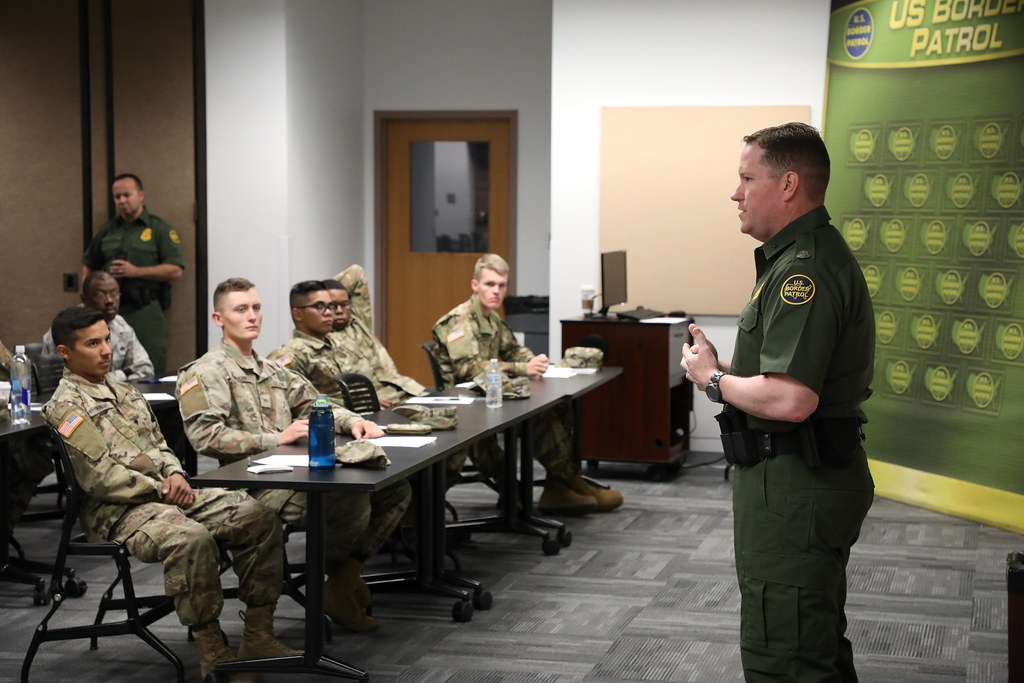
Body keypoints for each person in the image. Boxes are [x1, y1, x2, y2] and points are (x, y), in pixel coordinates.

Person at [679, 122, 875, 681]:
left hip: (795, 485)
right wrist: (727, 372)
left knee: (785, 658)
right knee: (811, 643)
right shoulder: (795, 259)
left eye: (747, 179)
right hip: (795, 480)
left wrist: (713, 379)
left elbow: (791, 399)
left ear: (788, 185)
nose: (735, 193)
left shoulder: (801, 271)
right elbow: (779, 378)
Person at [43, 306, 295, 682]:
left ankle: (258, 636)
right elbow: (102, 479)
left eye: (107, 340)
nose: (106, 350)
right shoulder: (66, 408)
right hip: (117, 512)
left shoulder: (125, 391)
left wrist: (175, 472)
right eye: (93, 344)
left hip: (168, 492)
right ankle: (212, 649)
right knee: (191, 538)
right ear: (65, 352)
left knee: (257, 516)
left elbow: (161, 447)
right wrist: (162, 487)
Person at [176, 277, 409, 632]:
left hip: (292, 473)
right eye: (241, 309)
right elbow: (206, 436)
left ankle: (343, 579)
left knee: (394, 488)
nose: (252, 316)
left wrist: (354, 421)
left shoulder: (273, 371)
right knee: (349, 499)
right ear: (218, 319)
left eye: (256, 308)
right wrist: (275, 438)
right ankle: (332, 582)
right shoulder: (205, 372)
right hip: (247, 483)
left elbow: (318, 403)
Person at [432, 253, 623, 514]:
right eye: (489, 284)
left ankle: (559, 487)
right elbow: (468, 368)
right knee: (540, 417)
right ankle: (565, 480)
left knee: (560, 407)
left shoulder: (491, 318)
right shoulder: (460, 321)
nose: (496, 291)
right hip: (466, 407)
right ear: (475, 285)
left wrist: (534, 361)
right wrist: (523, 369)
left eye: (502, 285)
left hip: (492, 397)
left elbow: (512, 350)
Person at [81, 173, 184, 375]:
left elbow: (175, 269)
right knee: (102, 364)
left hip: (144, 312)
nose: (122, 201)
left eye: (127, 195)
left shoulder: (158, 229)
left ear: (141, 195)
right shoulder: (107, 231)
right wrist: (88, 299)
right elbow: (89, 264)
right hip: (110, 312)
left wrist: (135, 271)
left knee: (149, 368)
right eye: (117, 197)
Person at [322, 268, 428, 408]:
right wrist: (317, 297)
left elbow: (356, 273)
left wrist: (323, 292)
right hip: (377, 403)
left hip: (406, 391)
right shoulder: (321, 337)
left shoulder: (358, 321)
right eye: (333, 305)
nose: (340, 311)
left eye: (344, 304)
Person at [43, 271, 154, 382]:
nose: (109, 300)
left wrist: (109, 381)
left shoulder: (120, 324)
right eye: (100, 295)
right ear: (84, 299)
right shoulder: (66, 327)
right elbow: (55, 380)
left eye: (114, 294)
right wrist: (124, 373)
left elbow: (145, 368)